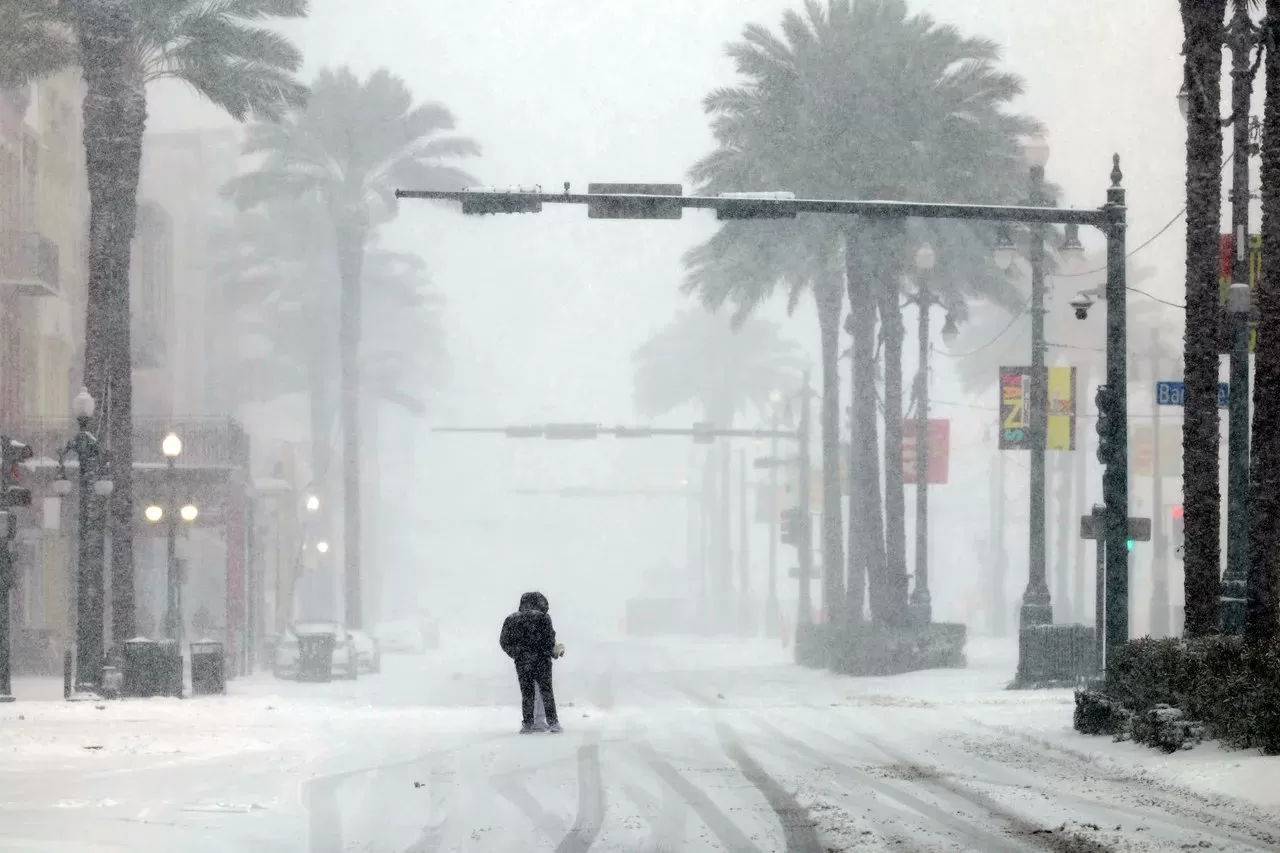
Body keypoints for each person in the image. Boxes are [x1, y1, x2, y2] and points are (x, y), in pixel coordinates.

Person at [499, 591, 564, 734]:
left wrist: (517, 654)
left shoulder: (511, 619)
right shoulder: (544, 618)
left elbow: (504, 641)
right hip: (542, 662)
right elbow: (549, 640)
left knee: (527, 694)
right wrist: (551, 652)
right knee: (546, 692)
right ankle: (553, 723)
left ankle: (528, 724)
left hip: (523, 663)